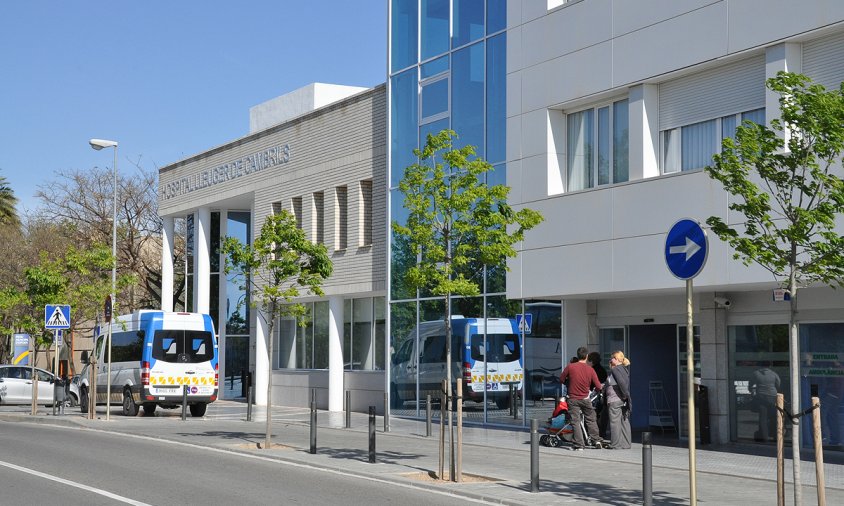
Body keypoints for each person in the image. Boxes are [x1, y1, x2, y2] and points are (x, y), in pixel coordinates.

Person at [560, 346, 603, 450]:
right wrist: (597, 391)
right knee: (591, 419)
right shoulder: (590, 370)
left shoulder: (570, 367)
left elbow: (561, 379)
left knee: (575, 421)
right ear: (587, 356)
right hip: (585, 399)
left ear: (578, 355)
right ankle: (596, 440)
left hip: (573, 399)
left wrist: (568, 382)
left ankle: (579, 445)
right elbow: (598, 386)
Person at [605, 350, 632, 449]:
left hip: (615, 399)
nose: (611, 360)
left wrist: (624, 394)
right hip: (622, 400)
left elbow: (621, 383)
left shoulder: (615, 370)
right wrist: (625, 396)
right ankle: (626, 444)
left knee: (615, 422)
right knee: (624, 421)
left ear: (616, 359)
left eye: (612, 358)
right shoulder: (624, 369)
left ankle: (615, 444)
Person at [748, 363, 780, 442]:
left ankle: (764, 438)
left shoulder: (756, 373)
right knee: (773, 417)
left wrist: (751, 390)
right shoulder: (773, 374)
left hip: (761, 397)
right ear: (769, 366)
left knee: (763, 418)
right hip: (773, 397)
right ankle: (776, 436)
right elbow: (778, 383)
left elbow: (750, 384)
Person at [588, 351, 608, 437]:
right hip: (602, 395)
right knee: (601, 416)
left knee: (593, 416)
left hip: (594, 395)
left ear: (591, 360)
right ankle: (602, 433)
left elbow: (592, 384)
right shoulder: (603, 370)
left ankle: (594, 434)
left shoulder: (592, 370)